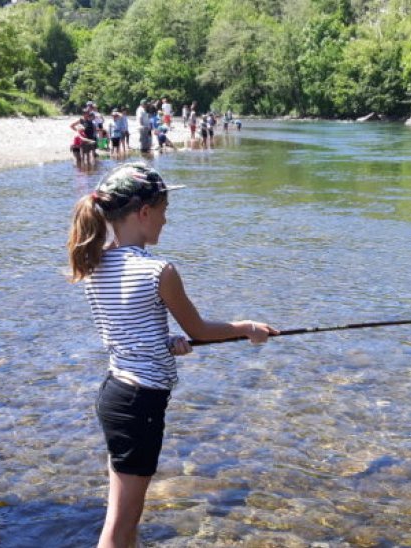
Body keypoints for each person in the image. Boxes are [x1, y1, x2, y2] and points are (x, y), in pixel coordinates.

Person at [66, 164, 277, 548]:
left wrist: (167, 344)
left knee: (124, 517)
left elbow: (131, 331)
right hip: (140, 402)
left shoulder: (96, 263)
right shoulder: (158, 270)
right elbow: (200, 330)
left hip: (116, 394)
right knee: (120, 524)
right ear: (144, 213)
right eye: (163, 210)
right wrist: (247, 327)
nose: (166, 219)